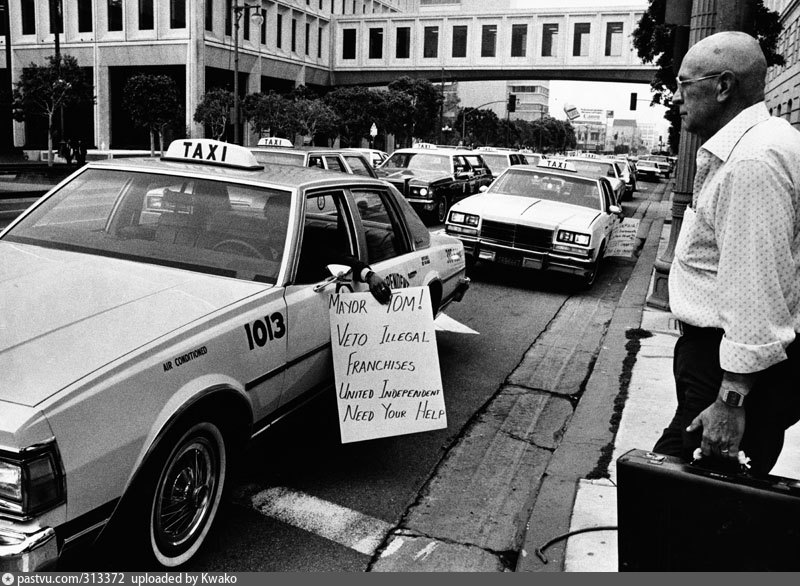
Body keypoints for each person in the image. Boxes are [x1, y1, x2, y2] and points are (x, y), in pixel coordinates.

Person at [652, 31, 800, 475]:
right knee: (699, 509)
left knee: (676, 506)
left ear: (723, 86)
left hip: (733, 376)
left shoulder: (753, 161)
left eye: (684, 84)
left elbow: (757, 294)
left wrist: (731, 401)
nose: (676, 97)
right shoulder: (760, 145)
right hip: (728, 368)